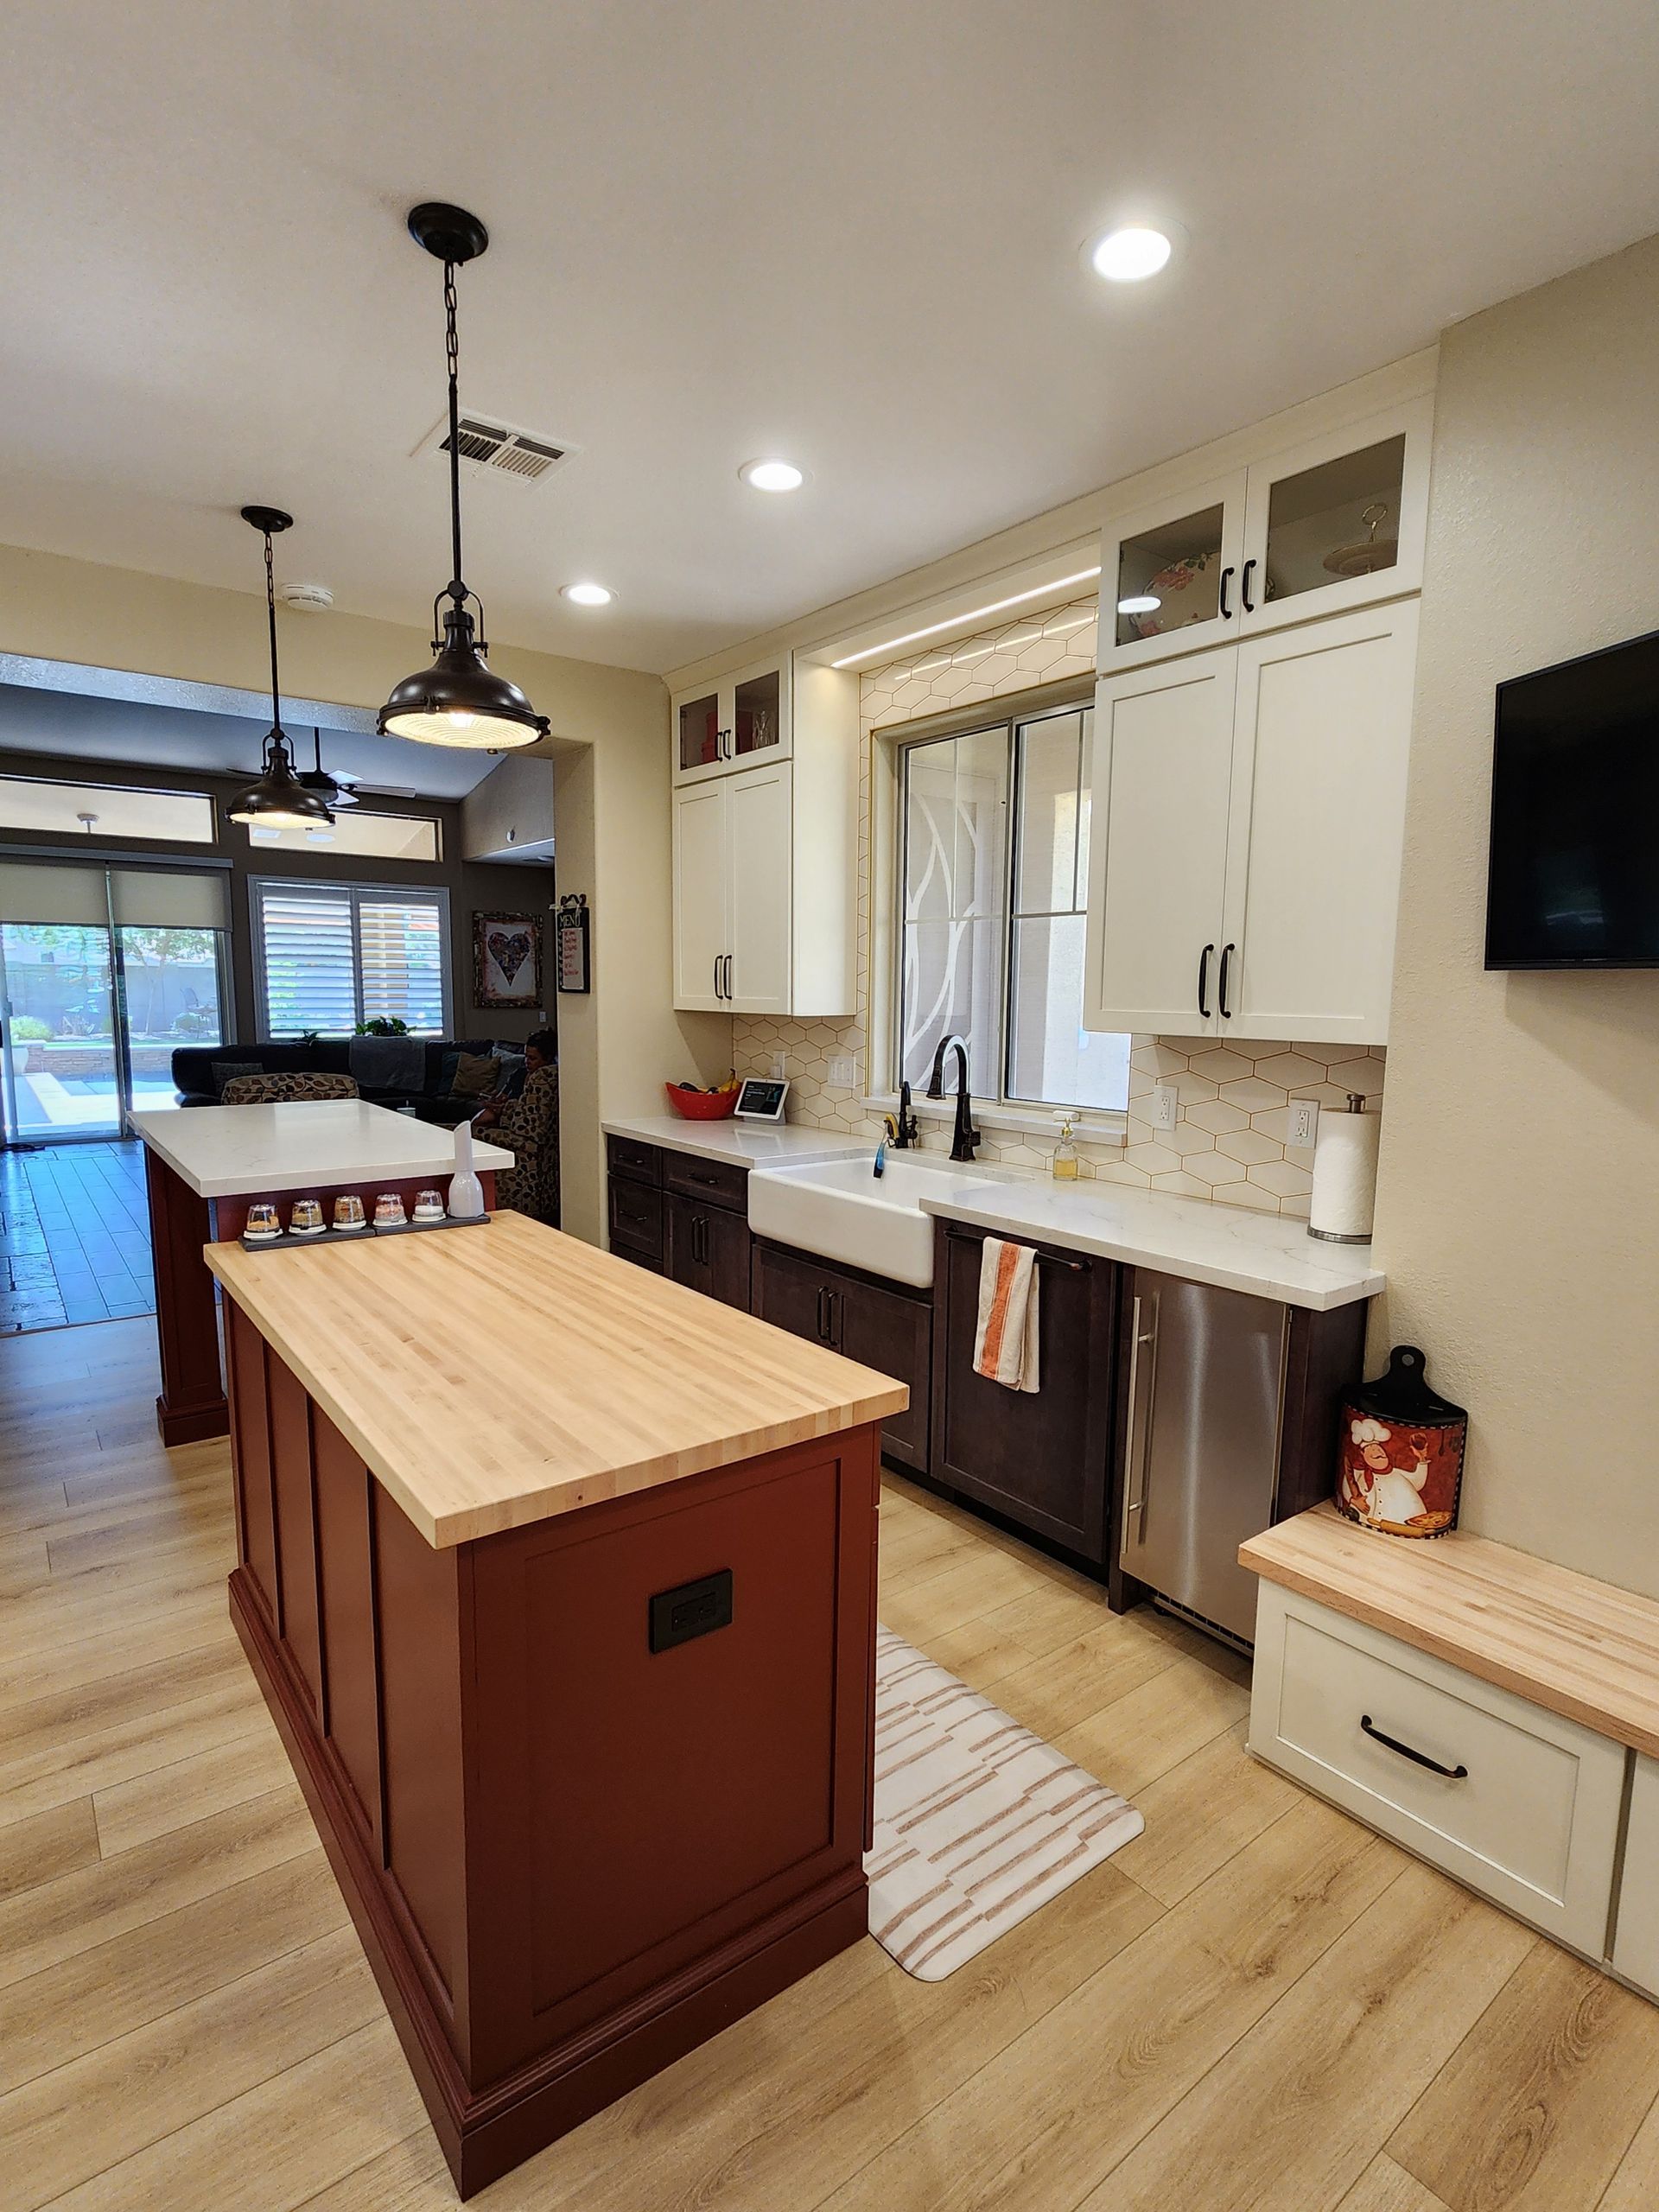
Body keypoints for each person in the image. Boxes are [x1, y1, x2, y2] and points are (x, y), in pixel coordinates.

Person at [474, 1030, 558, 1223]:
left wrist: (505, 1109)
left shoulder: (543, 1081)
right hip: (504, 1118)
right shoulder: (520, 1074)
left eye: (533, 1058)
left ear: (547, 1058)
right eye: (526, 1056)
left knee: (481, 1121)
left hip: (514, 1129)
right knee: (486, 1115)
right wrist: (497, 1102)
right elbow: (504, 1096)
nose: (527, 1062)